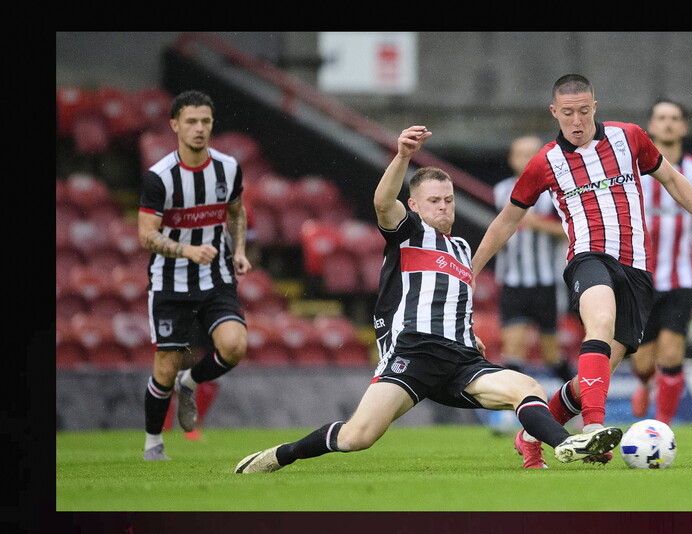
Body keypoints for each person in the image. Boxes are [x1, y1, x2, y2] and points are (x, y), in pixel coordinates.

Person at [234, 126, 623, 474]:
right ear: (415, 205)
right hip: (414, 353)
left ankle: (566, 444)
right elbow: (382, 202)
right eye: (434, 200)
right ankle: (282, 455)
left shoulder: (462, 247)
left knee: (528, 387)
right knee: (357, 437)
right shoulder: (407, 232)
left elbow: (453, 299)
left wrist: (469, 333)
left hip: (461, 358)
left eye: (448, 200)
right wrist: (403, 157)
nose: (443, 206)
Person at [471, 74, 692, 467]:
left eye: (584, 111)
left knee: (591, 379)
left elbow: (672, 179)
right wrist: (471, 271)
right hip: (587, 258)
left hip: (636, 270)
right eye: (567, 113)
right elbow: (506, 221)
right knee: (599, 323)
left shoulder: (629, 137)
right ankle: (593, 428)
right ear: (554, 112)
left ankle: (529, 436)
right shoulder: (546, 161)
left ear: (595, 106)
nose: (577, 121)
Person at [138, 90, 250, 460]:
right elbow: (146, 235)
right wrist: (187, 251)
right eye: (191, 121)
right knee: (165, 368)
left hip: (216, 276)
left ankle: (191, 382)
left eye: (205, 121)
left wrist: (240, 251)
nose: (199, 128)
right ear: (175, 125)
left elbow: (236, 211)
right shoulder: (159, 177)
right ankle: (153, 444)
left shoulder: (228, 168)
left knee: (234, 346)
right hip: (170, 281)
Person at [629, 99, 692, 424]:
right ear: (651, 126)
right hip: (640, 277)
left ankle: (661, 428)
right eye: (661, 117)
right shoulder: (633, 168)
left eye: (674, 118)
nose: (668, 123)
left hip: (682, 276)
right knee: (643, 361)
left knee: (671, 353)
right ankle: (645, 384)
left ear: (683, 127)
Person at [486, 135, 572, 435]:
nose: (525, 159)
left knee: (551, 353)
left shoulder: (555, 191)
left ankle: (578, 403)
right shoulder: (500, 191)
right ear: (512, 159)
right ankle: (511, 412)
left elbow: (569, 230)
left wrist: (540, 224)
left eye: (531, 154)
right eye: (520, 154)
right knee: (513, 347)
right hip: (512, 281)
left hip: (545, 283)